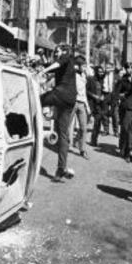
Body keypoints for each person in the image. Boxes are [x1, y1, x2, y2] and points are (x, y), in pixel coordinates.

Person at [40, 43, 76, 181]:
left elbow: (56, 64)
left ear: (64, 51)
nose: (55, 53)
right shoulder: (64, 62)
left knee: (36, 100)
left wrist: (43, 71)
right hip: (68, 101)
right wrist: (41, 60)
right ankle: (61, 168)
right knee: (63, 135)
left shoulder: (67, 58)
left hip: (62, 95)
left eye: (57, 51)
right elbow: (50, 65)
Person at [87, 65, 111, 147]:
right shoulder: (91, 79)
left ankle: (94, 140)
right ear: (96, 72)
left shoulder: (103, 80)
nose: (101, 73)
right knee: (89, 123)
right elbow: (87, 91)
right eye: (99, 72)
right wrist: (95, 96)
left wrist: (104, 96)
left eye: (102, 72)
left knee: (98, 122)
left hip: (101, 104)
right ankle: (81, 140)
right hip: (92, 104)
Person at [72, 55, 90, 159]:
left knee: (83, 128)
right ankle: (64, 146)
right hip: (73, 102)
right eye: (83, 66)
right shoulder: (72, 75)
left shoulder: (84, 76)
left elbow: (84, 92)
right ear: (77, 66)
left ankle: (82, 149)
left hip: (82, 103)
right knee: (67, 126)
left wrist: (87, 106)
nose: (85, 68)